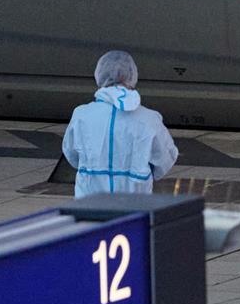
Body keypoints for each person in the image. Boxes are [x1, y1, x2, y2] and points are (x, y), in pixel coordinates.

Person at [62, 50, 178, 198]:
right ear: (132, 75)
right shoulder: (149, 119)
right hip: (135, 205)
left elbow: (71, 154)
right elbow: (165, 159)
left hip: (89, 203)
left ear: (99, 75)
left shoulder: (82, 115)